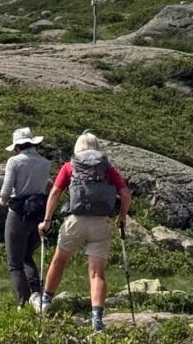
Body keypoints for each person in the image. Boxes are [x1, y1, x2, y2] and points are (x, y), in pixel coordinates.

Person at [35, 132, 132, 332]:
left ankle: (46, 302)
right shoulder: (107, 167)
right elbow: (125, 194)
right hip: (101, 223)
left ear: (77, 147)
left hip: (75, 221)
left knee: (59, 261)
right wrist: (122, 216)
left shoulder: (70, 166)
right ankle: (97, 319)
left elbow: (55, 192)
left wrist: (47, 220)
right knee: (97, 273)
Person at [0, 127, 51, 308]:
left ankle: (22, 302)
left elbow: (7, 188)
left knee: (15, 263)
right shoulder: (45, 163)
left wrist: (3, 200)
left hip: (18, 212)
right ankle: (36, 295)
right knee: (27, 255)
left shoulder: (14, 161)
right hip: (39, 212)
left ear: (17, 146)